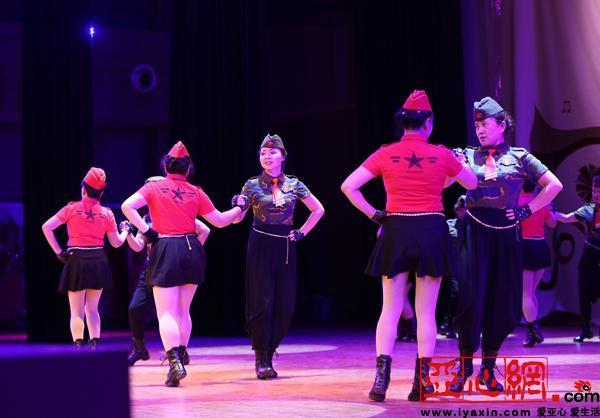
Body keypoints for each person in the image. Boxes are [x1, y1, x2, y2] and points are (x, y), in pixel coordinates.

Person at [341, 90, 477, 402]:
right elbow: (471, 183)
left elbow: (348, 186)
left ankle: (381, 380)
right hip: (431, 231)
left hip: (396, 229)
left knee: (390, 309)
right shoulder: (442, 155)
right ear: (428, 122)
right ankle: (421, 383)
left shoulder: (386, 153)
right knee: (426, 312)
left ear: (403, 123)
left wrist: (374, 214)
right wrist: (450, 171)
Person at [450, 97, 562, 393]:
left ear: (501, 125)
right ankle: (464, 364)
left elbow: (554, 185)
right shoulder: (466, 155)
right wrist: (453, 168)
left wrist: (528, 210)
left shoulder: (520, 157)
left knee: (502, 299)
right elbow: (444, 184)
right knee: (470, 297)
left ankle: (488, 367)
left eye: (485, 124)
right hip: (474, 231)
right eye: (476, 125)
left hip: (507, 232)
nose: (479, 130)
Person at [121, 141, 248, 387]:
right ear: (188, 169)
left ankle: (175, 364)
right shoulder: (196, 191)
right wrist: (239, 208)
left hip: (166, 248)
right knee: (183, 311)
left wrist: (147, 229)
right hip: (192, 249)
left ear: (165, 167)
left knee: (167, 313)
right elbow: (220, 221)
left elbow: (127, 206)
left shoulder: (154, 187)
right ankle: (180, 356)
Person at [232, 134, 325, 379]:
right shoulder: (252, 185)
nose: (267, 156)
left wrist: (302, 232)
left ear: (283, 156)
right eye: (263, 153)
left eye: (272, 152)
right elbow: (238, 219)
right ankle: (261, 357)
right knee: (262, 301)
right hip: (260, 244)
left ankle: (271, 349)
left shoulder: (294, 184)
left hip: (285, 246)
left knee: (285, 304)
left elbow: (318, 209)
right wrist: (237, 205)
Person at [122, 177, 211, 366]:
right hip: (151, 268)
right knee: (135, 308)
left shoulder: (175, 212)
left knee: (176, 311)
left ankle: (179, 353)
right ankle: (139, 348)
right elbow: (138, 246)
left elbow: (205, 229)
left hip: (170, 266)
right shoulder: (146, 219)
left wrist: (193, 251)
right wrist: (128, 234)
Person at [42, 167, 127, 349]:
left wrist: (59, 251)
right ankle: (94, 347)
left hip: (76, 259)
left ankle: (78, 349)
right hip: (98, 260)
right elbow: (116, 243)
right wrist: (126, 231)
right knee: (93, 309)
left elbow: (46, 227)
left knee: (76, 311)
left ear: (83, 189)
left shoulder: (71, 209)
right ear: (101, 193)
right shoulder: (107, 213)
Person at [554, 175, 600, 343]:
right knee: (584, 293)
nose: (596, 194)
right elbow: (566, 218)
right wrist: (549, 211)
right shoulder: (587, 209)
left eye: (599, 191)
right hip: (589, 257)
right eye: (594, 190)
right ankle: (586, 329)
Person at [519, 181, 556, 347]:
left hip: (525, 246)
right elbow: (552, 223)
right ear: (535, 187)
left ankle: (533, 329)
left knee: (526, 294)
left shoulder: (517, 204)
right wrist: (551, 209)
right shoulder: (542, 203)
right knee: (531, 293)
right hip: (540, 246)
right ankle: (532, 333)